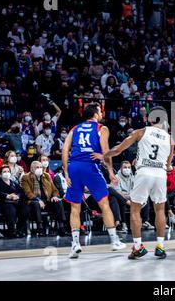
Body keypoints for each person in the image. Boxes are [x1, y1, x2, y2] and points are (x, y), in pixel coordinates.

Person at [92, 106, 173, 260]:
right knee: (160, 210)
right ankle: (160, 247)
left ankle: (137, 247)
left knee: (135, 209)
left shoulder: (140, 132)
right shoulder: (170, 139)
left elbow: (118, 150)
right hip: (160, 174)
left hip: (144, 173)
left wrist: (104, 155)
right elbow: (168, 166)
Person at [62, 103, 126, 259]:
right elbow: (106, 152)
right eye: (100, 111)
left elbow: (65, 149)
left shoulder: (74, 129)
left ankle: (75, 244)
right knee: (104, 204)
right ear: (96, 113)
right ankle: (114, 241)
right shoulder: (101, 128)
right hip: (90, 166)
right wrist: (110, 172)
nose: (102, 113)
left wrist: (66, 171)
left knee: (75, 207)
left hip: (74, 167)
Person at [20, 161, 66, 237]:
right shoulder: (26, 177)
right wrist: (38, 200)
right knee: (36, 203)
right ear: (32, 169)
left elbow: (54, 190)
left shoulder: (47, 176)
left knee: (58, 201)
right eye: (37, 167)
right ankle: (40, 227)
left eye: (40, 167)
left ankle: (61, 226)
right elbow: (28, 193)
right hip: (33, 201)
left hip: (47, 200)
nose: (39, 169)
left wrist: (55, 196)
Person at [0, 165, 29, 238]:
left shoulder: (13, 182)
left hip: (15, 201)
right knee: (11, 210)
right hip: (3, 202)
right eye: (4, 172)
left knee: (25, 210)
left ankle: (19, 230)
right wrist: (8, 196)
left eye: (8, 171)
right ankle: (12, 231)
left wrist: (18, 196)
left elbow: (22, 192)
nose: (6, 173)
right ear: (0, 174)